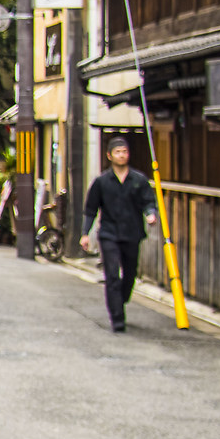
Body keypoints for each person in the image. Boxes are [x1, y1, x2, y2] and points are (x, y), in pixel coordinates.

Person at [80, 139, 158, 332]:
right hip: (109, 233)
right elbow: (91, 209)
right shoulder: (101, 182)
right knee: (112, 275)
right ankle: (117, 317)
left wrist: (150, 214)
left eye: (124, 151)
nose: (122, 155)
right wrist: (85, 234)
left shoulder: (139, 180)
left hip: (132, 233)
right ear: (109, 156)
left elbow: (149, 201)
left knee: (130, 273)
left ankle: (121, 298)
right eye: (118, 152)